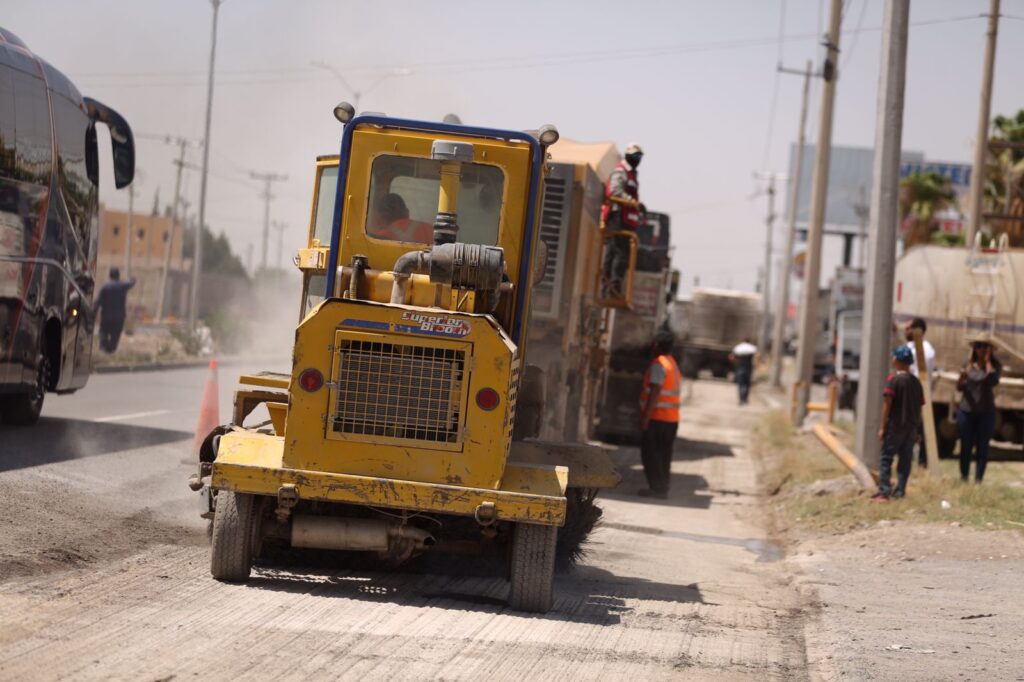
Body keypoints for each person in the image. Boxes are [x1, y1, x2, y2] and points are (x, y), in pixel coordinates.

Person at [871, 345, 924, 502]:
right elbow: (920, 407)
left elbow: (887, 405)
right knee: (905, 460)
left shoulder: (893, 380)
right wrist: (917, 429)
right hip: (911, 428)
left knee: (886, 458)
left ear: (898, 360)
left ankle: (884, 492)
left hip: (895, 427)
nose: (892, 358)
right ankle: (900, 491)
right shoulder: (916, 382)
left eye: (894, 356)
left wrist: (882, 427)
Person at [638, 330, 682, 499]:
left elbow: (655, 392)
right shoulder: (672, 363)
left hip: (657, 418)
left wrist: (645, 418)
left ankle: (656, 488)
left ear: (656, 345)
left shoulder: (659, 364)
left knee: (651, 455)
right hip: (671, 419)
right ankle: (662, 487)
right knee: (664, 456)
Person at [601, 143, 644, 297]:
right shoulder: (621, 171)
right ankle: (612, 288)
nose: (637, 159)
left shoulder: (632, 174)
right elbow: (614, 191)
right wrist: (632, 202)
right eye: (634, 156)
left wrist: (637, 206)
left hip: (626, 220)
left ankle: (610, 288)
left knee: (618, 254)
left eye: (639, 156)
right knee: (618, 254)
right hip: (617, 218)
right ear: (627, 155)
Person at [956, 340, 1001, 483]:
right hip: (967, 411)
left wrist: (987, 361)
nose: (981, 349)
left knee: (982, 446)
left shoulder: (995, 365)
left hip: (986, 412)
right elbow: (959, 387)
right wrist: (962, 377)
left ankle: (978, 479)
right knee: (966, 445)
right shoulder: (968, 364)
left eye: (985, 347)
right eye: (979, 346)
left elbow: (993, 381)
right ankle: (964, 476)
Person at [904, 317, 936, 467]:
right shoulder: (909, 347)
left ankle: (922, 462)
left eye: (908, 328)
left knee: (920, 429)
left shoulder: (926, 350)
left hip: (917, 394)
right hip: (907, 392)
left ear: (918, 331)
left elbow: (921, 374)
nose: (905, 331)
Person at [93, 266, 136, 353]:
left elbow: (98, 302)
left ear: (110, 275)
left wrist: (93, 312)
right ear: (118, 275)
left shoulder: (105, 287)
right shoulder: (122, 286)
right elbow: (131, 283)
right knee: (115, 334)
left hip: (106, 316)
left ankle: (103, 347)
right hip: (119, 317)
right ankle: (111, 349)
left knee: (103, 332)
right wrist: (132, 279)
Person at [729, 339, 758, 405]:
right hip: (748, 368)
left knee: (740, 384)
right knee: (747, 384)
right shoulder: (752, 348)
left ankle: (741, 399)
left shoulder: (738, 347)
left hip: (739, 368)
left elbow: (731, 357)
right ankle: (745, 399)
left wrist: (734, 364)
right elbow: (757, 357)